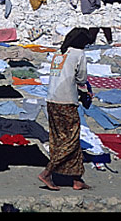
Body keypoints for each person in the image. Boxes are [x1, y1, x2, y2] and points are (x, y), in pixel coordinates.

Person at [38, 27, 93, 191]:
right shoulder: (79, 54)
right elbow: (82, 78)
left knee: (59, 139)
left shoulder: (59, 53)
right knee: (71, 139)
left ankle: (77, 179)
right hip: (66, 101)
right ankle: (47, 172)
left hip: (51, 100)